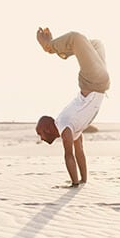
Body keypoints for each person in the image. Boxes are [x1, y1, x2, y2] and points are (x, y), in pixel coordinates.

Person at [35, 27, 110, 188]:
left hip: (91, 81)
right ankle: (61, 50)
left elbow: (69, 155)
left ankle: (50, 47)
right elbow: (79, 152)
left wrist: (74, 184)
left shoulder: (64, 126)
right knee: (91, 43)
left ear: (47, 128)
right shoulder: (71, 129)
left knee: (81, 40)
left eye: (39, 133)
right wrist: (82, 181)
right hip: (99, 84)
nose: (40, 138)